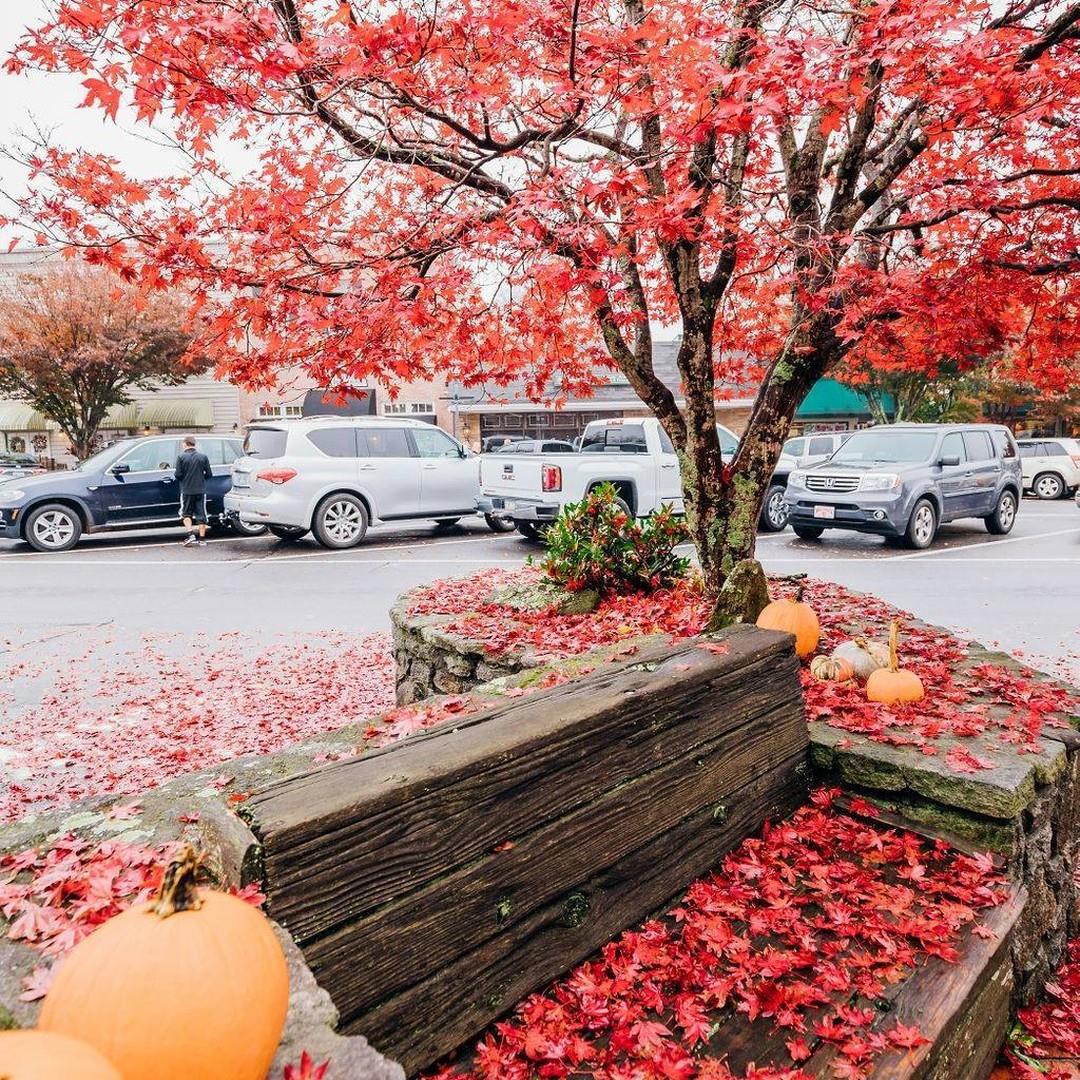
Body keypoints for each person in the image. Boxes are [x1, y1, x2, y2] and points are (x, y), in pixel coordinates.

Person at [174, 435, 213, 547]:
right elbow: (209, 474)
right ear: (194, 444)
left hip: (186, 490)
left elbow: (178, 475)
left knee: (186, 513)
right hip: (200, 490)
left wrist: (185, 479)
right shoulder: (203, 457)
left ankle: (190, 534)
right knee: (201, 514)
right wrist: (200, 479)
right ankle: (202, 539)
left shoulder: (181, 457)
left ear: (185, 444)